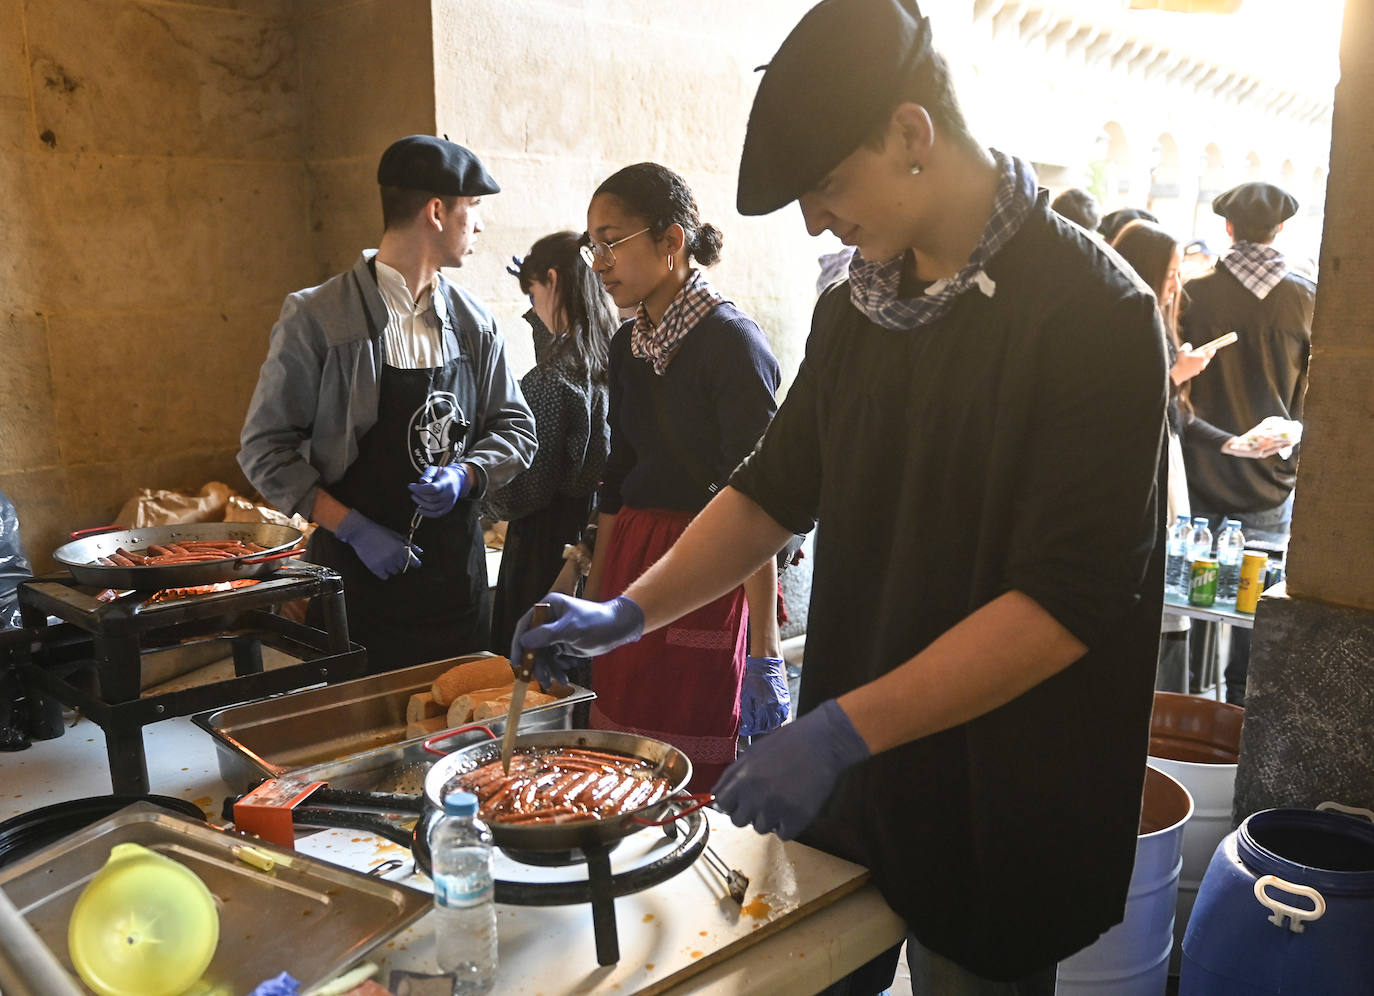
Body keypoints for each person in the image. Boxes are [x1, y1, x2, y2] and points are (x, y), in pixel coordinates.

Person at [512, 2, 1169, 991]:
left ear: (912, 134)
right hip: (858, 780)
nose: (817, 220)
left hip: (997, 786)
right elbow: (772, 489)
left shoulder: (1094, 315)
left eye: (826, 185)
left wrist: (840, 729)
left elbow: (1064, 605)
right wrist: (628, 610)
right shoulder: (859, 305)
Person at [239, 135, 537, 671]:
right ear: (438, 211)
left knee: (457, 736)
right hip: (358, 586)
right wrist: (353, 528)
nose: (480, 226)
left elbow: (517, 428)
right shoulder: (319, 317)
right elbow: (265, 451)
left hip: (455, 586)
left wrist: (466, 476)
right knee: (368, 737)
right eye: (474, 210)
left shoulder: (474, 323)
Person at [575, 161, 786, 791]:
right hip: (635, 563)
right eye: (593, 247)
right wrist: (596, 597)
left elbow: (758, 500)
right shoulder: (627, 344)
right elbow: (618, 474)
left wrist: (764, 650)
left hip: (709, 568)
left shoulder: (732, 344)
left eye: (612, 241)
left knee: (690, 763)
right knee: (621, 760)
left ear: (671, 240)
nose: (600, 262)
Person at [1180, 181, 1314, 704]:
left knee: (1186, 599)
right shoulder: (1307, 297)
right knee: (1255, 612)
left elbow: (1176, 387)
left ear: (1228, 227)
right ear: (1280, 229)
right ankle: (1238, 716)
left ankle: (1185, 705)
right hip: (1271, 478)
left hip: (1200, 472)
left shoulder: (1194, 293)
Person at [484, 232, 614, 656]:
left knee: (532, 662)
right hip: (595, 533)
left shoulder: (548, 381)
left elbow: (527, 489)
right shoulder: (612, 360)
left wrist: (479, 490)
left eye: (533, 291)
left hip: (545, 543)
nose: (533, 305)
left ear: (553, 281)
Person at [1110, 220, 1226, 691]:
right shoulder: (1120, 323)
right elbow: (1129, 405)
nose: (1177, 283)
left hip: (1169, 464)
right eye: (1171, 271)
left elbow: (1176, 415)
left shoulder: (1159, 322)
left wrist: (1230, 442)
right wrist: (1177, 374)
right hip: (1143, 468)